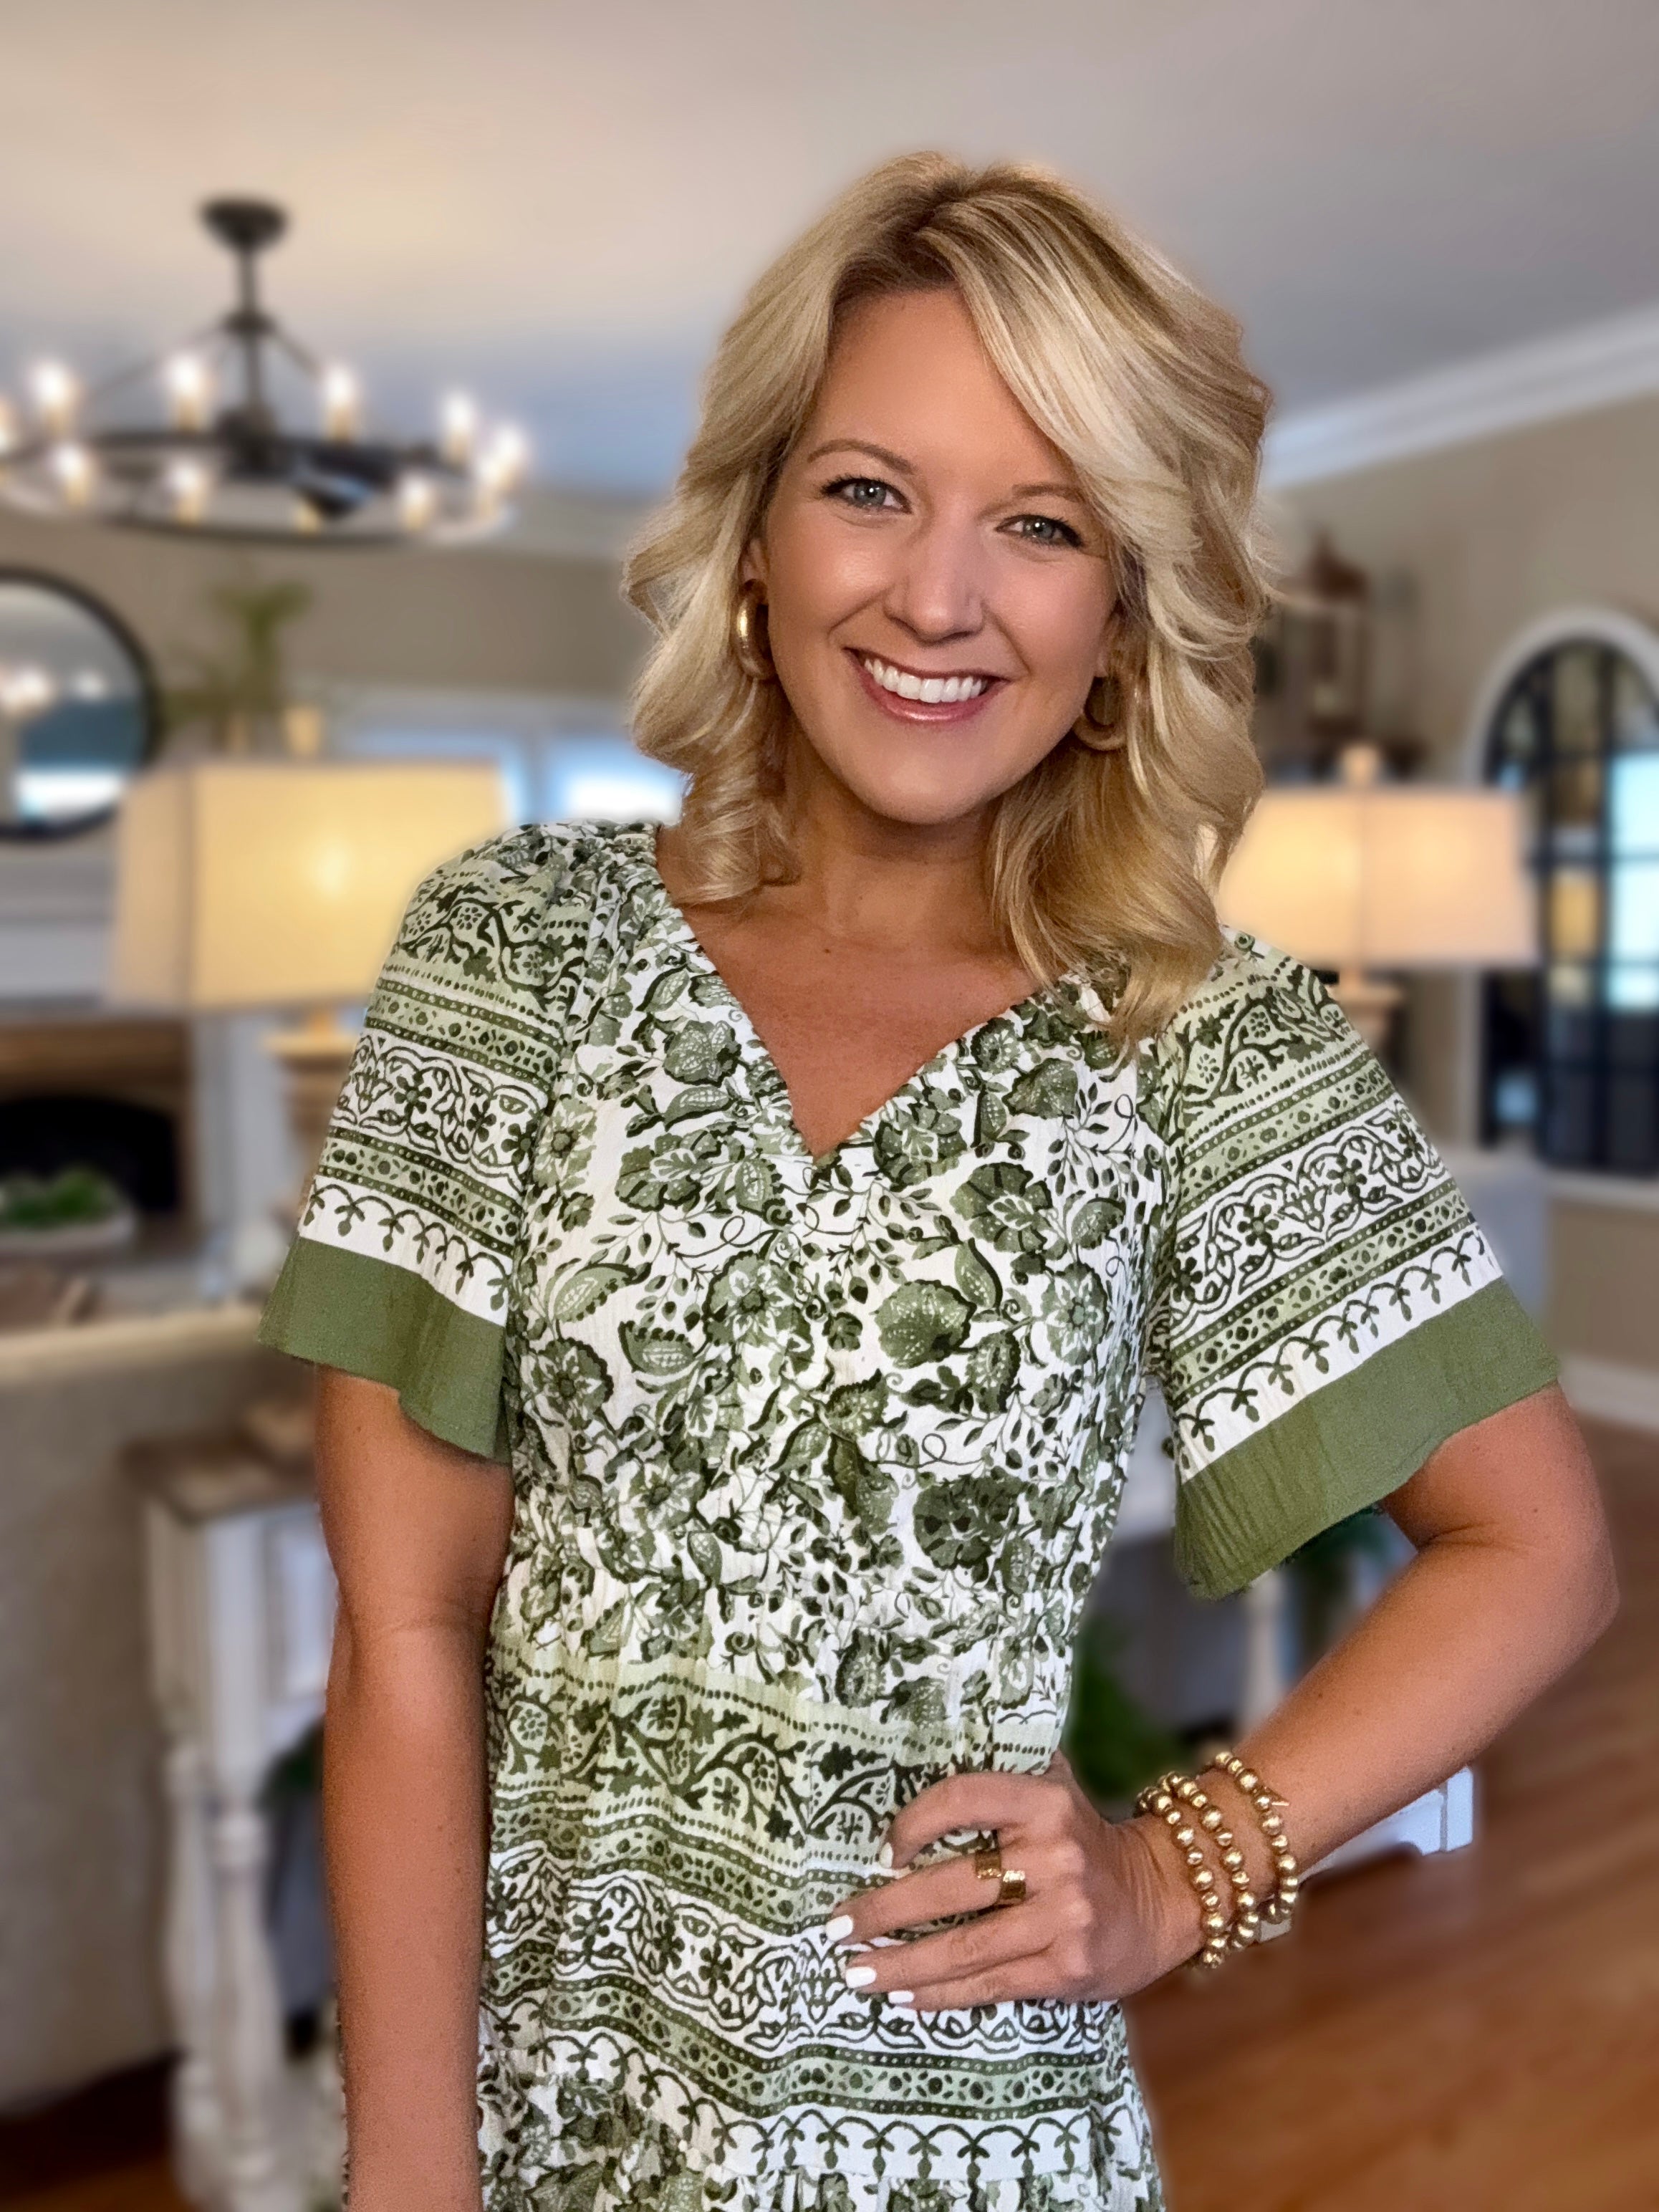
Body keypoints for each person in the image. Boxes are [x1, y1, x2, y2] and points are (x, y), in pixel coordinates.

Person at [258, 152, 1618, 2212]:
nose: (938, 598)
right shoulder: (511, 951)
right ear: (755, 536)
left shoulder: (1196, 1034)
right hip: (541, 2121)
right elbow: (405, 1627)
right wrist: (411, 2178)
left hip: (968, 2134)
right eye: (870, 489)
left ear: (1120, 615)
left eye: (1042, 523)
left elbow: (1537, 1546)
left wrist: (1177, 1871)